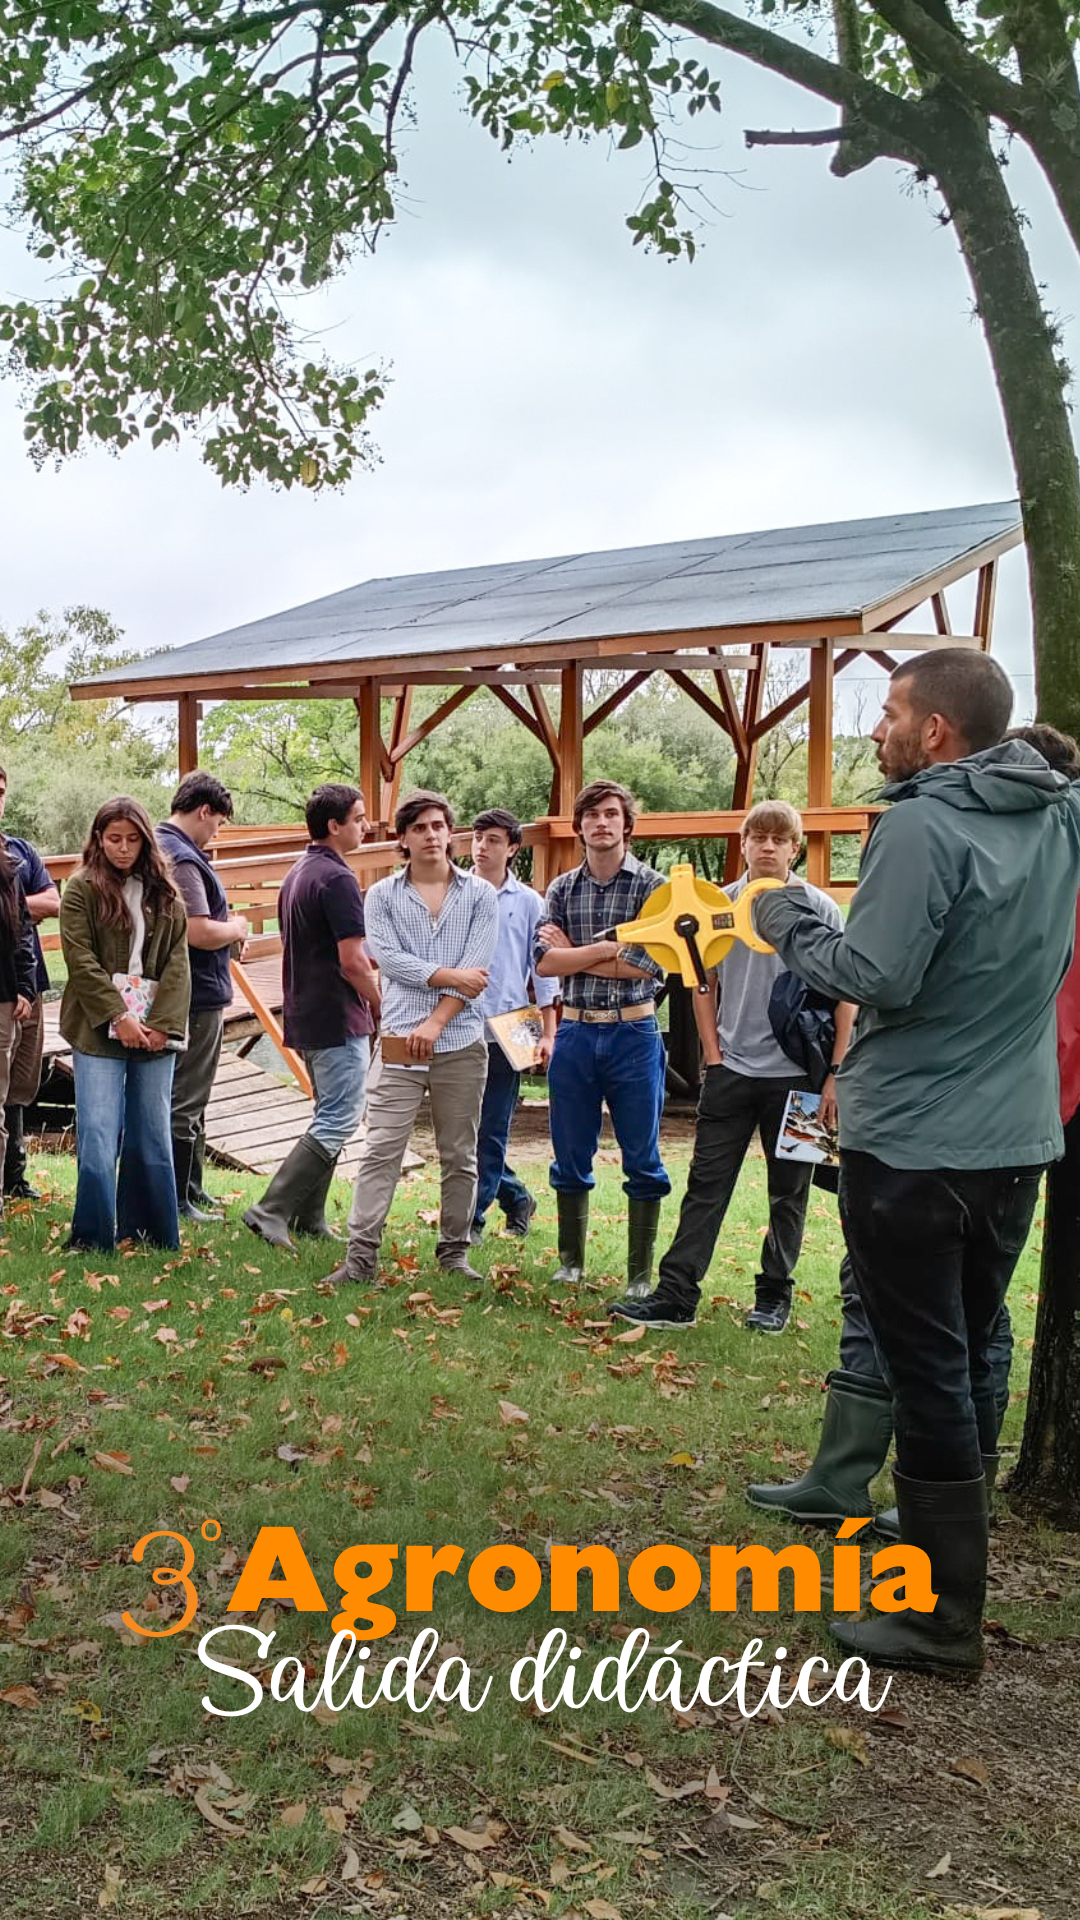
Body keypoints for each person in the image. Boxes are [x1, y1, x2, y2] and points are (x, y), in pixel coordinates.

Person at [748, 649, 1080, 1674]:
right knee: (971, 1341)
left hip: (917, 1146)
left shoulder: (922, 825)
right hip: (1015, 1138)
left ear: (936, 731)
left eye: (889, 713)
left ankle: (944, 1619)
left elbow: (875, 971)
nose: (876, 732)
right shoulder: (1062, 817)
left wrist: (785, 912)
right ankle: (937, 1553)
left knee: (928, 1366)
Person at [607, 800, 855, 1332]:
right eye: (757, 837)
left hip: (803, 1073)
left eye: (779, 838)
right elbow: (701, 982)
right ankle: (677, 1295)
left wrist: (835, 1075)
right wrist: (713, 1059)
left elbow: (846, 996)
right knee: (705, 1187)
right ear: (742, 845)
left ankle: (773, 1296)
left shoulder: (819, 907)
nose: (767, 846)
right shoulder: (715, 906)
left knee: (790, 1192)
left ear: (795, 848)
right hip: (733, 1072)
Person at [325, 791, 498, 1285]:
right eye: (419, 827)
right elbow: (392, 962)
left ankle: (454, 1251)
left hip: (461, 1041)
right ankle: (360, 1256)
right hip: (401, 1041)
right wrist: (451, 975)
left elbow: (479, 970)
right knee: (382, 1148)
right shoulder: (379, 896)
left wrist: (437, 1021)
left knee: (460, 1152)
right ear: (402, 838)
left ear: (451, 833)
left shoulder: (480, 895)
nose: (430, 835)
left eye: (438, 826)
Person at [533, 780, 670, 1296]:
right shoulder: (562, 889)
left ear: (627, 825)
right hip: (575, 1032)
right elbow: (545, 961)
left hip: (635, 1031)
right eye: (592, 815)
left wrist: (578, 950)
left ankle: (639, 1275)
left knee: (643, 1154)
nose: (602, 823)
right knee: (569, 1150)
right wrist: (610, 949)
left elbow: (650, 966)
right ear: (580, 826)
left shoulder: (654, 888)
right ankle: (571, 1262)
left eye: (612, 814)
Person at [244, 783, 381, 1249]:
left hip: (305, 1011)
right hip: (336, 1014)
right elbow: (353, 959)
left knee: (329, 1112)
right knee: (342, 1116)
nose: (367, 826)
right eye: (359, 819)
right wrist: (379, 1002)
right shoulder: (338, 878)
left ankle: (309, 1215)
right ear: (334, 825)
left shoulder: (298, 872)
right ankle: (272, 1209)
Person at [59, 798, 191, 1251]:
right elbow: (79, 959)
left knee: (152, 1130)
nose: (123, 848)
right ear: (98, 838)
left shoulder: (165, 892)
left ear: (145, 841)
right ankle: (93, 1237)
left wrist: (162, 1024)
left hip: (155, 1025)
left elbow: (178, 961)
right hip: (97, 1028)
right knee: (97, 1133)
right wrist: (119, 1015)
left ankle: (152, 1231)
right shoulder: (80, 888)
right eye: (114, 839)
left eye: (132, 839)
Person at [158, 771, 251, 1221]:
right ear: (203, 811)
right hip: (196, 995)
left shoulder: (161, 845)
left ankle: (192, 1188)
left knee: (189, 1092)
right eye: (218, 822)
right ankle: (178, 1199)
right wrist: (236, 928)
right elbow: (197, 930)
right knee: (187, 1095)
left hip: (178, 991)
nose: (218, 832)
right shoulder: (183, 858)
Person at [470, 808, 558, 1242]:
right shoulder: (454, 890)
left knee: (494, 1124)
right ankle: (516, 1195)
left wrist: (548, 1032)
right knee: (463, 1130)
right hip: (457, 1024)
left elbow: (542, 970)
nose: (482, 847)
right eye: (478, 838)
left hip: (513, 1024)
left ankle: (472, 1221)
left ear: (513, 849)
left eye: (493, 840)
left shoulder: (529, 901)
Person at [0, 764, 60, 1202]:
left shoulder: (19, 851)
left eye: (1, 790)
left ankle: (15, 1176)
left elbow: (52, 902)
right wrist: (24, 907)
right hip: (4, 985)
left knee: (23, 1080)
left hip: (29, 980)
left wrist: (18, 907)